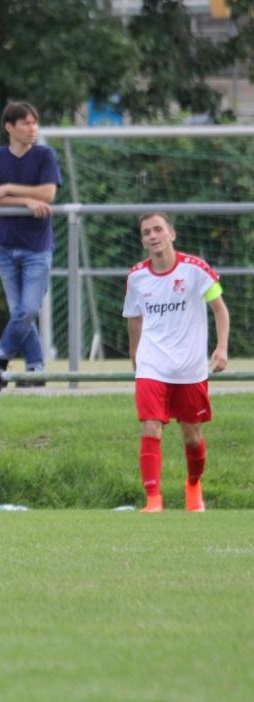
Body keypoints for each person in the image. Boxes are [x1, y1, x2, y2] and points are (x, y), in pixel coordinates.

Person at [123, 212, 229, 513]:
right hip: (151, 364)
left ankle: (193, 486)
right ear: (143, 241)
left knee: (192, 436)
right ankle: (153, 500)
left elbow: (220, 309)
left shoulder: (196, 269)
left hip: (189, 367)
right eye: (147, 232)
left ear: (172, 234)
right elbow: (134, 318)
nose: (153, 235)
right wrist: (135, 356)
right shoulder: (136, 277)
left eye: (158, 229)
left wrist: (221, 347)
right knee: (150, 427)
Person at [0, 101, 62, 387]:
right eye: (26, 123)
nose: (32, 128)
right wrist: (26, 200)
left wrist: (8, 188)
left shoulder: (45, 155)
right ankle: (36, 370)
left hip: (37, 248)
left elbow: (48, 193)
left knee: (28, 310)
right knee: (19, 312)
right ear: (9, 127)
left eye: (34, 123)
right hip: (5, 246)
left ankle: (0, 354)